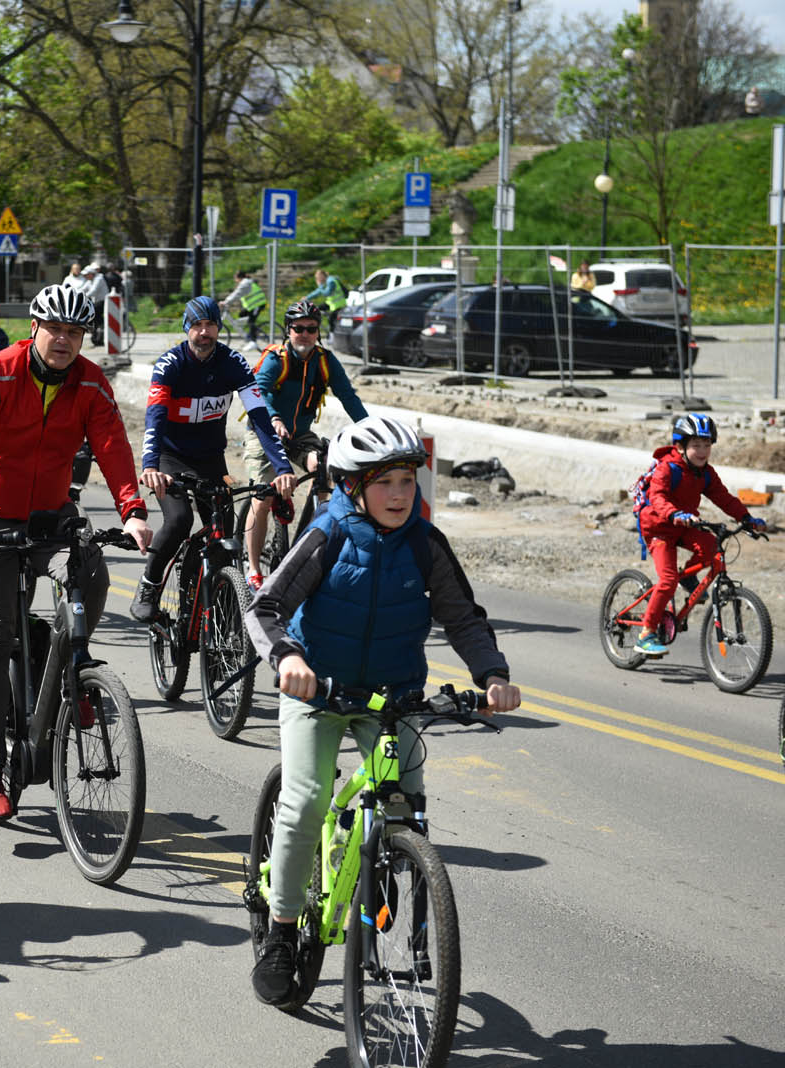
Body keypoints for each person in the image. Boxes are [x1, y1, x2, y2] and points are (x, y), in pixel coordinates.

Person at [243, 415, 522, 1007]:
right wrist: (290, 660)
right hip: (318, 690)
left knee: (405, 804)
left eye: (407, 480)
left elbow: (463, 617)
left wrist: (492, 674)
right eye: (384, 482)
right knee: (305, 800)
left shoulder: (425, 543)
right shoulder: (327, 535)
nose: (399, 494)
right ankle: (282, 931)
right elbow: (265, 608)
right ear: (351, 486)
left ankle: (396, 889)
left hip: (393, 695)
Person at [0, 283, 152, 819]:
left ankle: (69, 671)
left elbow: (111, 445)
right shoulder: (0, 370)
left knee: (93, 574)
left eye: (74, 332)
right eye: (55, 329)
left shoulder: (88, 382)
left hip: (51, 520)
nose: (63, 340)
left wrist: (133, 509)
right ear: (33, 328)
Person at [128, 296, 297, 621]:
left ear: (218, 328)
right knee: (179, 520)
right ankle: (150, 583)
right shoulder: (170, 365)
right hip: (170, 458)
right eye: (197, 326)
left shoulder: (233, 363)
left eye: (210, 325)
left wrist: (282, 468)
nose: (204, 332)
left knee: (222, 529)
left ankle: (208, 596)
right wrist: (150, 465)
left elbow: (259, 415)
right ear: (186, 329)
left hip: (210, 459)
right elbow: (155, 416)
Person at [242, 300, 370, 588]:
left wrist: (369, 429)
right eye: (298, 328)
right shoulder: (276, 358)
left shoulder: (324, 360)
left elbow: (348, 396)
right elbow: (256, 391)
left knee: (323, 470)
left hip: (300, 434)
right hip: (265, 432)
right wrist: (273, 418)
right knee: (261, 497)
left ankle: (317, 547)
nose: (305, 334)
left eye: (311, 329)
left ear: (317, 332)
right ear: (288, 330)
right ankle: (253, 569)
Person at [633, 413, 766, 657]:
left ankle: (687, 578)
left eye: (707, 445)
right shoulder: (667, 469)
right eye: (696, 445)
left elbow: (723, 498)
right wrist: (674, 514)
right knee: (667, 580)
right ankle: (646, 633)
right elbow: (658, 498)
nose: (703, 451)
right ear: (680, 447)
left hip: (684, 524)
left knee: (711, 547)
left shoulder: (705, 473)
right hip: (659, 527)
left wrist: (746, 519)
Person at [303, 268, 346, 334]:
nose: (318, 280)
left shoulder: (331, 281)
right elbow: (317, 292)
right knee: (316, 309)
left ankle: (332, 336)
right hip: (331, 303)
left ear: (322, 276)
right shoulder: (326, 281)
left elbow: (327, 293)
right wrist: (307, 297)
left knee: (332, 320)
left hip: (339, 304)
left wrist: (320, 286)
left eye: (318, 278)